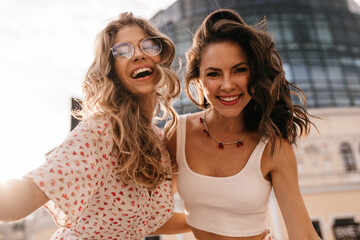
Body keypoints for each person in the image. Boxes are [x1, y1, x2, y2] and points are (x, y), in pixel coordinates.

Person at [0, 12, 185, 240]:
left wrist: (218, 222)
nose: (138, 54)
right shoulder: (100, 132)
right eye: (123, 51)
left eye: (148, 45)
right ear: (112, 70)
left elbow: (143, 221)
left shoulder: (159, 143)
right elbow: (28, 194)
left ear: (160, 56)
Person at [167, 9, 322, 240]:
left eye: (239, 70)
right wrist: (202, 222)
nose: (227, 85)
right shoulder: (177, 133)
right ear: (198, 79)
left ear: (255, 74)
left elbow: (303, 233)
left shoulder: (273, 146)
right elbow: (150, 215)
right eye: (214, 74)